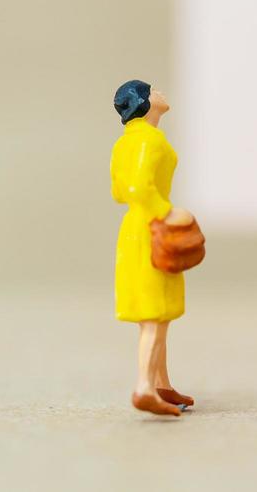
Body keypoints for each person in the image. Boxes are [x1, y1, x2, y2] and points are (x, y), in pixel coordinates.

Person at [110, 79, 196, 417]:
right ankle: (144, 387)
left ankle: (161, 385)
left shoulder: (123, 143)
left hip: (133, 228)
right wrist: (169, 212)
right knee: (153, 318)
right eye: (153, 89)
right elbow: (137, 186)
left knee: (157, 313)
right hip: (152, 228)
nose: (161, 92)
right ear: (145, 101)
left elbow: (119, 192)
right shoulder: (151, 140)